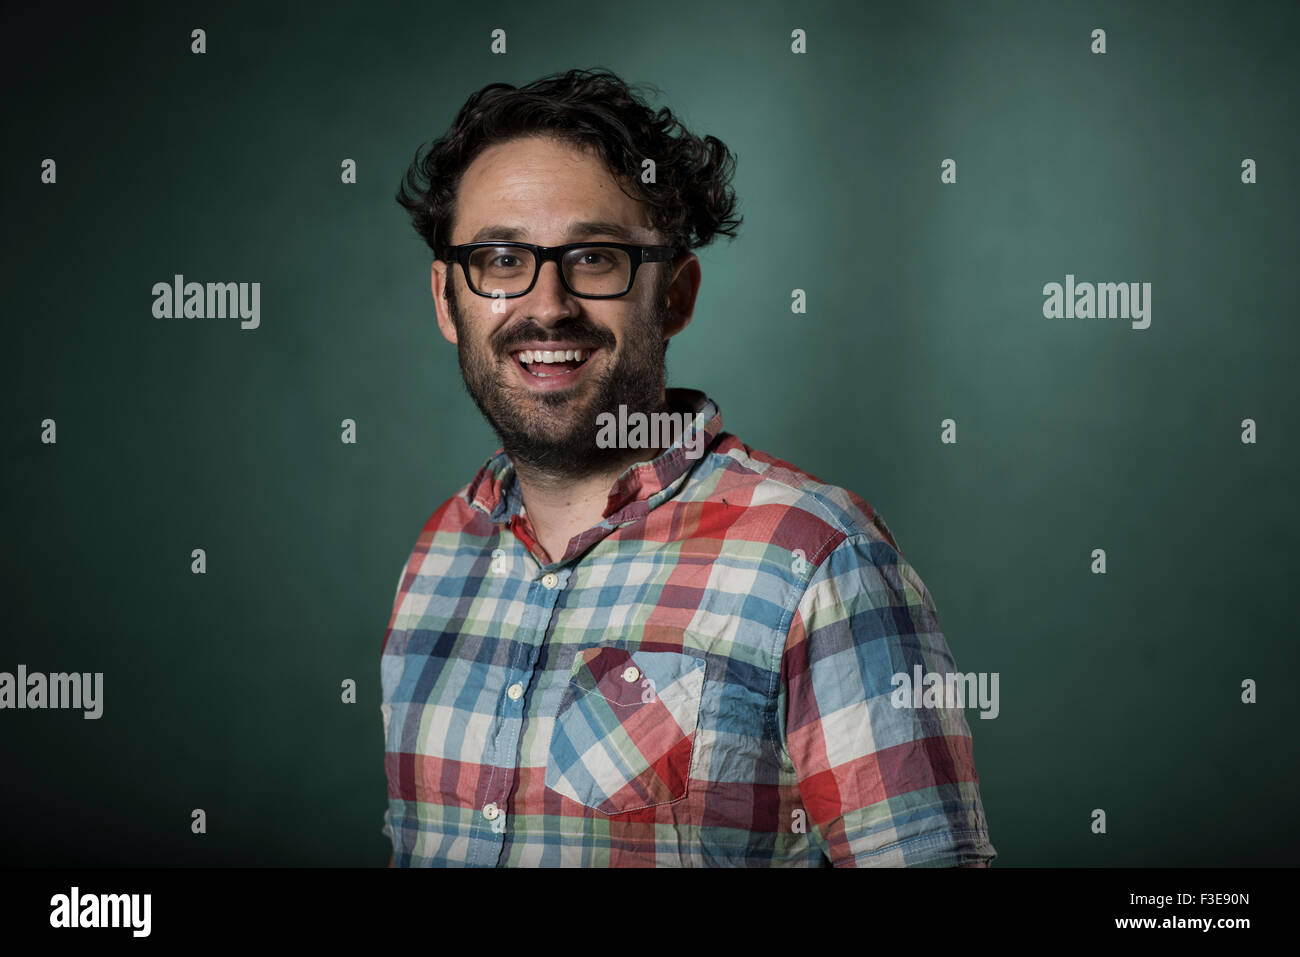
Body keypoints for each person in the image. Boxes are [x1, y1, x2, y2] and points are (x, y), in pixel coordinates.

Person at [381, 67, 996, 866]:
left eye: (595, 257)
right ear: (447, 298)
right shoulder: (438, 555)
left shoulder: (817, 559)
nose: (547, 303)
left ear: (674, 295)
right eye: (501, 258)